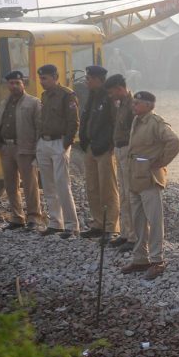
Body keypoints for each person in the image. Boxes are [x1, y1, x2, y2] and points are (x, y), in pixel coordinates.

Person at [121, 91, 179, 280]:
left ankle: (157, 259)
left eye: (137, 103)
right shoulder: (136, 121)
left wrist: (161, 162)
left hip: (149, 178)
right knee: (137, 220)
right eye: (133, 103)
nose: (134, 106)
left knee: (154, 222)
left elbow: (174, 142)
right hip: (134, 178)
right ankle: (140, 258)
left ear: (149, 106)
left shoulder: (155, 123)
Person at [0, 70, 43, 230]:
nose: (14, 86)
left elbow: (39, 127)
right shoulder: (4, 103)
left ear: (23, 84)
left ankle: (34, 217)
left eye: (17, 83)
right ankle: (17, 217)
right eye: (11, 83)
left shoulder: (33, 102)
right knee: (10, 184)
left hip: (25, 148)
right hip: (6, 147)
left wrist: (37, 149)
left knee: (29, 184)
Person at [35, 64, 80, 239]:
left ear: (55, 77)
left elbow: (73, 122)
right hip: (44, 142)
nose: (41, 82)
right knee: (48, 185)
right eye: (40, 78)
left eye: (44, 78)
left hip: (58, 143)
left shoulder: (67, 95)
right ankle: (55, 223)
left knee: (62, 185)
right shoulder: (45, 95)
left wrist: (66, 144)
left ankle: (71, 225)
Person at [80, 65, 119, 239]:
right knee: (92, 187)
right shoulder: (92, 96)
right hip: (91, 146)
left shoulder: (109, 97)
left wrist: (110, 144)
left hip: (104, 148)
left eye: (89, 78)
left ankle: (111, 226)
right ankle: (98, 223)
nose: (86, 82)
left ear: (98, 79)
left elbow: (116, 122)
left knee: (107, 189)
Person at [105, 74, 136, 252]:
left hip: (127, 151)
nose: (110, 96)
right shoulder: (121, 104)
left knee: (130, 194)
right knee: (123, 194)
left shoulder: (132, 105)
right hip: (119, 150)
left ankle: (133, 237)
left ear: (119, 88)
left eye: (111, 92)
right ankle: (125, 233)